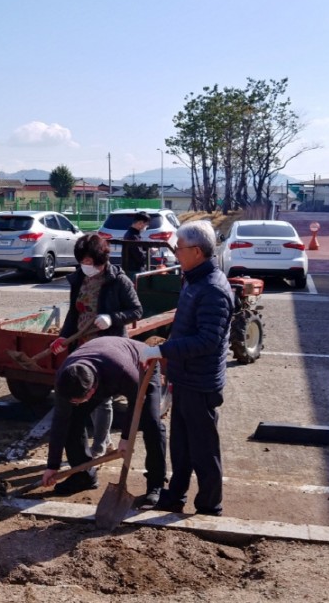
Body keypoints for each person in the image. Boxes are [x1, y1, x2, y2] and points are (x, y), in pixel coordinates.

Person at [140, 219, 233, 516]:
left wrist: (163, 349)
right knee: (181, 445)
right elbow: (187, 327)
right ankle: (175, 495)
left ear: (196, 251)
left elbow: (206, 340)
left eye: (178, 248)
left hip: (201, 382)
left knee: (204, 449)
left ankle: (209, 505)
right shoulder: (194, 280)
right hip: (184, 377)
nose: (175, 253)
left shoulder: (214, 290)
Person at [40, 336, 166, 505]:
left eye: (77, 400)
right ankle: (84, 476)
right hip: (102, 363)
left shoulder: (123, 371)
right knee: (71, 420)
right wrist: (52, 465)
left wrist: (126, 438)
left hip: (142, 364)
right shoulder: (65, 378)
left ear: (91, 391)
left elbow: (136, 402)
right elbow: (59, 421)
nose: (73, 403)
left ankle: (155, 485)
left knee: (152, 424)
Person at [50, 233, 143, 458]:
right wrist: (64, 337)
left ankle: (99, 446)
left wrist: (112, 318)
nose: (85, 266)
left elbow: (137, 310)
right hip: (82, 345)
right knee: (84, 398)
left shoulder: (118, 280)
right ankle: (104, 440)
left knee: (103, 399)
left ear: (101, 259)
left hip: (108, 347)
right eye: (82, 261)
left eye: (89, 262)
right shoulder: (79, 279)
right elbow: (74, 311)